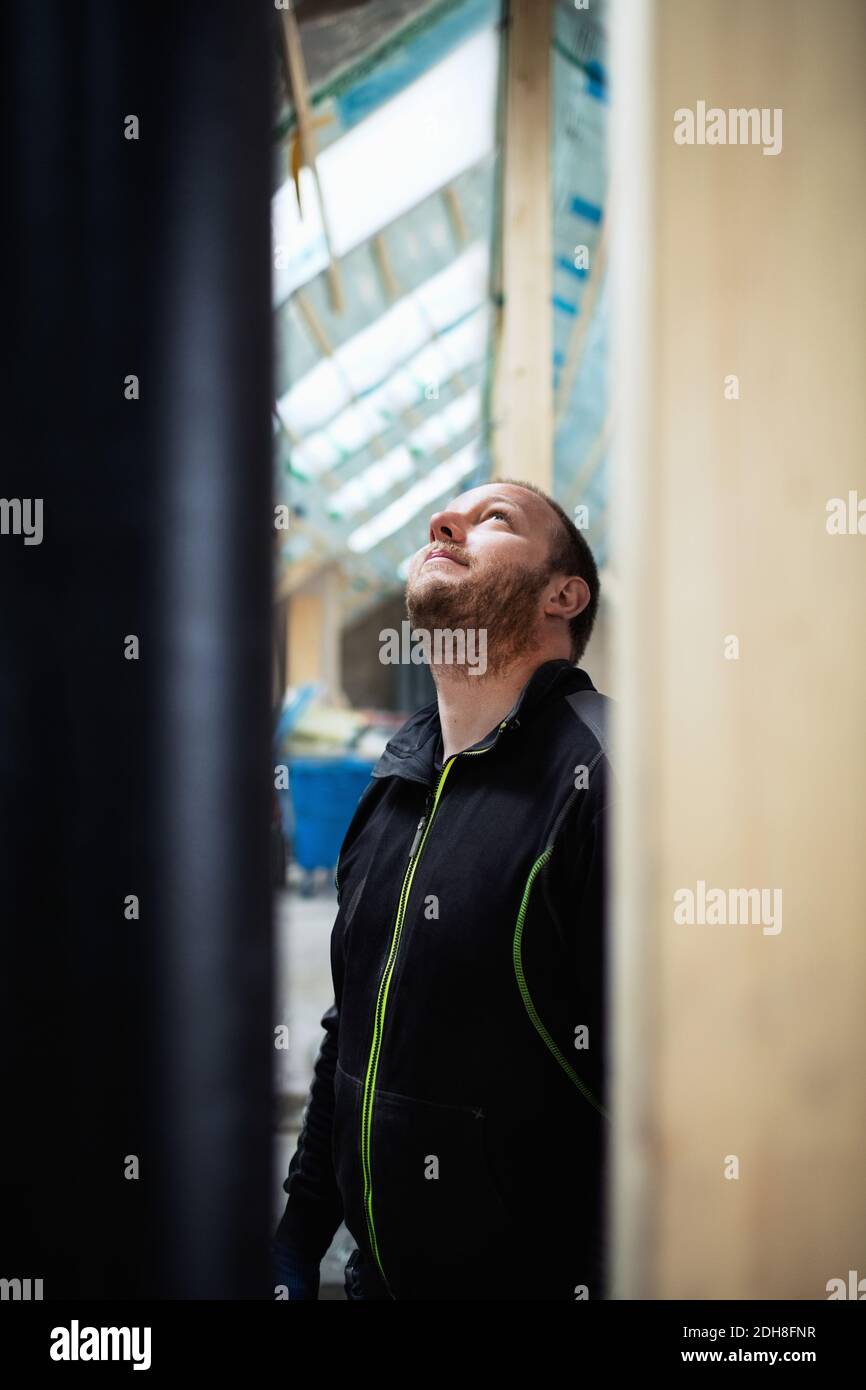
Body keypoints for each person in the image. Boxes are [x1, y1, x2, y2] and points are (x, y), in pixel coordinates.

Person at [273, 478, 612, 1301]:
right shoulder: (393, 788)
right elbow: (349, 1027)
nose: (446, 521)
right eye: (445, 514)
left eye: (493, 518)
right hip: (372, 1283)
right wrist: (299, 1230)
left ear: (564, 594)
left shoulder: (605, 775)